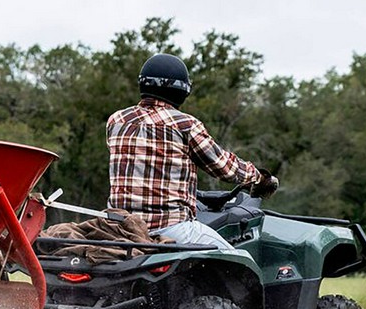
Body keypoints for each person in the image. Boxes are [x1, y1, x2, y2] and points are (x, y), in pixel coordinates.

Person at [106, 53, 277, 252]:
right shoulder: (185, 125)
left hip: (119, 229)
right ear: (182, 89)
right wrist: (257, 177)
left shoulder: (116, 121)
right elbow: (223, 167)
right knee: (238, 263)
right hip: (171, 228)